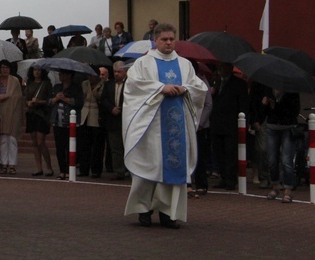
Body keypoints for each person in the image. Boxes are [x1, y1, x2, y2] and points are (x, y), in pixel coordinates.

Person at [122, 23, 207, 229]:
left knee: (173, 170)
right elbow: (133, 87)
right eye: (164, 39)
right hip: (151, 127)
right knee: (149, 167)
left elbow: (199, 88)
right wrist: (161, 88)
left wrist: (184, 89)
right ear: (155, 40)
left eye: (171, 39)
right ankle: (144, 210)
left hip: (176, 127)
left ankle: (168, 213)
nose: (169, 43)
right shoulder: (142, 63)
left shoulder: (184, 64)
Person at [210, 62, 248, 191]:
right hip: (217, 123)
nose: (220, 70)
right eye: (219, 67)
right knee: (219, 152)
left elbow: (243, 104)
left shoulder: (239, 84)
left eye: (223, 67)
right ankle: (224, 177)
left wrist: (242, 123)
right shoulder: (217, 83)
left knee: (230, 153)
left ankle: (231, 179)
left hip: (231, 123)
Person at [262, 89, 300, 203]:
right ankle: (275, 185)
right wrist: (264, 105)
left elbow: (295, 111)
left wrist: (277, 105)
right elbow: (264, 113)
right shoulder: (269, 92)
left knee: (286, 159)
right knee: (272, 159)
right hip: (272, 127)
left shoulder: (292, 92)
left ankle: (288, 189)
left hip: (287, 128)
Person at [0, 60, 23, 174]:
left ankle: (12, 164)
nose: (5, 70)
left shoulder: (15, 80)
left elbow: (17, 96)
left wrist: (4, 96)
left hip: (13, 111)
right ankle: (4, 163)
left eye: (7, 67)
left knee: (12, 139)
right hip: (0, 112)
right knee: (3, 139)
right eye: (3, 67)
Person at [49, 70, 83, 180]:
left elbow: (79, 102)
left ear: (69, 75)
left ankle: (69, 169)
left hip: (70, 122)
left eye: (63, 74)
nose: (60, 76)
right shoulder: (56, 87)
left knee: (70, 146)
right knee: (59, 147)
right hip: (57, 121)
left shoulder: (76, 88)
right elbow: (49, 101)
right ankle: (62, 170)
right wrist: (56, 98)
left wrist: (65, 99)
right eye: (60, 74)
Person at [100, 61, 127, 180]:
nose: (116, 74)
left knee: (127, 147)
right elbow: (103, 99)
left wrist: (122, 108)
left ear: (125, 72)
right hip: (112, 120)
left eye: (119, 72)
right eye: (115, 71)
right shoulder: (109, 84)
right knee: (115, 148)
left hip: (126, 119)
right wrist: (111, 108)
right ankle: (119, 171)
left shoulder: (130, 85)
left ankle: (130, 170)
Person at [24, 66, 53, 176]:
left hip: (42, 114)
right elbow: (26, 98)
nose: (37, 72)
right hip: (32, 114)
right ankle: (39, 167)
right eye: (35, 70)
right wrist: (28, 103)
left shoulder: (46, 84)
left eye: (39, 70)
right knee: (34, 142)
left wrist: (39, 101)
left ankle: (49, 167)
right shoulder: (30, 83)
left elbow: (50, 100)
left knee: (41, 142)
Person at [78, 67, 106, 178]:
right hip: (85, 113)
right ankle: (83, 169)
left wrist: (97, 94)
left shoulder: (104, 84)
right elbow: (82, 97)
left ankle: (96, 170)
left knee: (97, 145)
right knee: (84, 144)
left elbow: (102, 99)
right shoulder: (84, 84)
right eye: (88, 75)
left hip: (96, 114)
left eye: (92, 75)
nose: (90, 78)